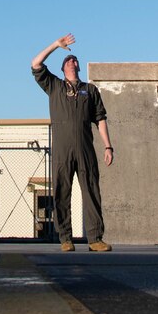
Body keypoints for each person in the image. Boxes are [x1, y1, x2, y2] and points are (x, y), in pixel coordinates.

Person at [30, 33, 112, 251]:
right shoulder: (54, 87)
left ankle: (95, 238)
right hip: (63, 150)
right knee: (62, 192)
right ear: (63, 68)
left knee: (92, 191)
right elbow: (35, 63)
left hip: (85, 149)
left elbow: (100, 118)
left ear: (78, 67)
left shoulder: (90, 90)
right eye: (68, 60)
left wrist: (108, 146)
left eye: (75, 60)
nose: (73, 61)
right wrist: (56, 45)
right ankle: (66, 238)